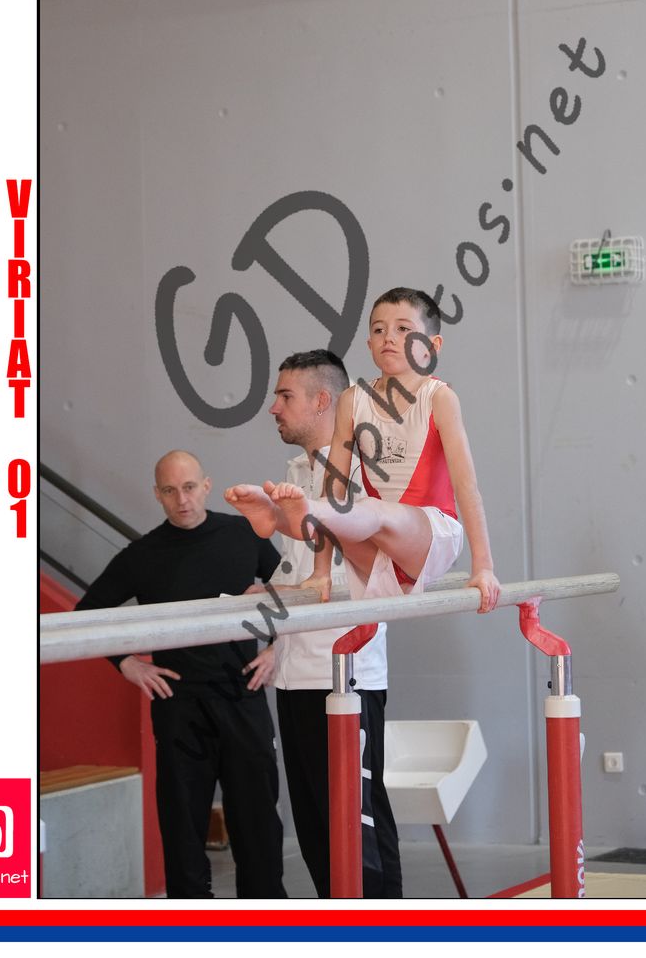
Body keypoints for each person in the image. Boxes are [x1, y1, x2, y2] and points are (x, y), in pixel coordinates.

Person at [75, 450, 287, 900]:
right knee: (182, 827)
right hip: (179, 707)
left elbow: (295, 593)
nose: (182, 500)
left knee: (258, 825)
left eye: (189, 488)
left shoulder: (243, 534)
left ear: (206, 486)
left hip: (242, 695)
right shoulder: (142, 555)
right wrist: (126, 663)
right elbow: (86, 613)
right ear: (157, 495)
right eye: (170, 491)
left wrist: (278, 649)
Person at [225, 287, 501, 613]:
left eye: (403, 329)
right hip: (379, 554)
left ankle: (304, 514)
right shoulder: (353, 400)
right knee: (341, 511)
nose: (389, 337)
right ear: (369, 344)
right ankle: (276, 516)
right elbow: (334, 490)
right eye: (379, 330)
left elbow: (466, 486)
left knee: (368, 509)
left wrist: (484, 567)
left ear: (432, 346)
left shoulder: (439, 398)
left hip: (432, 536)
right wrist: (321, 572)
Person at [267, 350, 402, 898]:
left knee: (357, 828)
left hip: (346, 674)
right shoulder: (296, 473)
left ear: (323, 401)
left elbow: (373, 567)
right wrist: (266, 595)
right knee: (317, 831)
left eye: (285, 396)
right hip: (295, 674)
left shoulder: (365, 471)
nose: (274, 407)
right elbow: (301, 572)